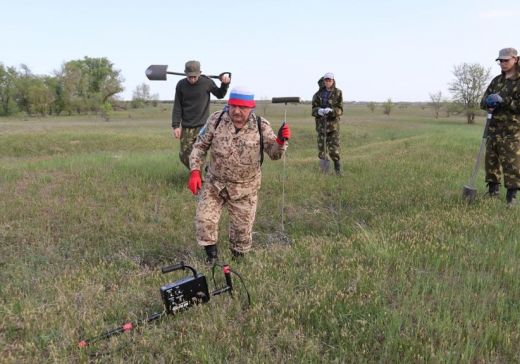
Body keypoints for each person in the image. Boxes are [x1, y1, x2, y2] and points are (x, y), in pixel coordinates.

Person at [187, 87, 291, 263]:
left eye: (242, 107)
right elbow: (200, 146)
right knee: (204, 220)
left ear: (251, 107)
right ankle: (211, 258)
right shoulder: (216, 119)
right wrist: (195, 171)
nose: (236, 111)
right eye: (233, 106)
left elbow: (274, 155)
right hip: (215, 185)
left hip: (245, 189)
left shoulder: (260, 126)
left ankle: (239, 261)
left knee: (241, 233)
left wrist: (280, 141)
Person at [172, 60, 231, 169]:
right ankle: (205, 170)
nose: (192, 79)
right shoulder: (181, 85)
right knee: (184, 156)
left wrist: (225, 84)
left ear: (200, 73)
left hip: (203, 127)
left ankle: (200, 178)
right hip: (186, 127)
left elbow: (220, 94)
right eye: (190, 77)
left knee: (200, 153)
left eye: (195, 76)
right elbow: (177, 106)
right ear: (185, 74)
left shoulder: (207, 82)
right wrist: (176, 126)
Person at [480, 47, 520, 205]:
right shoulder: (496, 81)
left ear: (515, 59)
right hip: (493, 129)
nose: (502, 63)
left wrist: (505, 101)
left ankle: (512, 198)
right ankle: (492, 193)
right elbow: (482, 102)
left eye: (506, 60)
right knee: (491, 161)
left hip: (512, 132)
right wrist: (488, 102)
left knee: (512, 163)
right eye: (500, 61)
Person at [311, 72, 343, 175]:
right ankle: (324, 172)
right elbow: (313, 110)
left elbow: (340, 110)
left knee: (334, 150)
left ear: (333, 81)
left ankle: (338, 172)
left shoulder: (338, 93)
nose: (328, 82)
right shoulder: (317, 94)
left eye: (330, 80)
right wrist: (318, 111)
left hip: (333, 127)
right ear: (323, 81)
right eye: (326, 80)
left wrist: (332, 111)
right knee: (322, 151)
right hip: (321, 127)